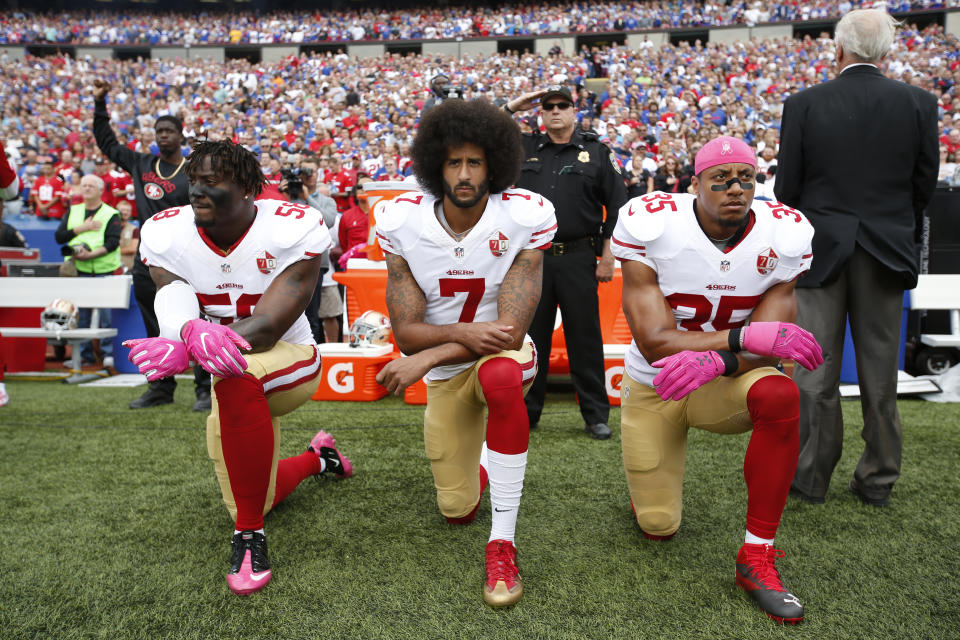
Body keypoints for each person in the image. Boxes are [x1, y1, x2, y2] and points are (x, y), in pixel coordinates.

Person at [123, 140, 354, 596]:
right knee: (256, 495)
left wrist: (189, 347)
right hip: (226, 367)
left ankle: (250, 538)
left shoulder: (291, 226)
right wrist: (179, 331)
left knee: (235, 376)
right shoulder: (167, 232)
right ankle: (318, 459)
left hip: (291, 361)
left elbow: (268, 327)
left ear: (249, 188)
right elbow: (172, 290)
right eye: (194, 180)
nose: (196, 191)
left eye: (212, 181)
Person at [612, 135, 823, 624]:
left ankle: (757, 556)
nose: (735, 188)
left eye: (746, 178)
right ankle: (648, 486)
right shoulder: (655, 224)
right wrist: (737, 342)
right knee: (658, 525)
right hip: (656, 385)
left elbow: (771, 349)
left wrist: (723, 362)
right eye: (721, 179)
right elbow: (655, 342)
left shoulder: (783, 233)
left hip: (725, 383)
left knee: (779, 390)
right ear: (694, 185)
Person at [374, 98, 557, 607]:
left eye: (474, 161)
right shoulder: (401, 221)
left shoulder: (524, 215)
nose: (464, 172)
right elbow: (407, 332)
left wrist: (430, 355)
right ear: (435, 165)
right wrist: (447, 345)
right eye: (454, 161)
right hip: (447, 374)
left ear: (493, 165)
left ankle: (503, 542)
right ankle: (481, 468)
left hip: (500, 357)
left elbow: (510, 333)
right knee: (455, 510)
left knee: (500, 377)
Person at [775, 9, 939, 507]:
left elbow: (787, 189)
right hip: (886, 250)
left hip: (822, 251)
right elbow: (923, 185)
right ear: (887, 53)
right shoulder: (919, 103)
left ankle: (810, 479)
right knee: (879, 374)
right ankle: (877, 480)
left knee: (813, 373)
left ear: (838, 49)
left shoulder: (803, 104)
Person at [503, 85, 627, 439]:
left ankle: (595, 414)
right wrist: (515, 104)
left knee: (584, 338)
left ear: (575, 112)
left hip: (578, 256)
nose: (555, 111)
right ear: (540, 114)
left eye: (562, 106)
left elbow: (617, 205)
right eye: (548, 107)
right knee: (530, 338)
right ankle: (527, 411)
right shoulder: (523, 147)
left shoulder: (596, 152)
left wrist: (607, 257)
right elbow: (487, 124)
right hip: (531, 259)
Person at [92, 79, 211, 411]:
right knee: (153, 320)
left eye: (169, 131)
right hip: (148, 257)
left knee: (196, 318)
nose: (162, 135)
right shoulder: (142, 164)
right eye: (159, 131)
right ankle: (160, 386)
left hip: (187, 255)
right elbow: (107, 144)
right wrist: (100, 104)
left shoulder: (194, 169)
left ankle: (204, 388)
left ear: (180, 136)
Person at [54, 174, 122, 368]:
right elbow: (59, 237)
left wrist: (90, 255)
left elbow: (112, 242)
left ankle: (108, 354)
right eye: (84, 185)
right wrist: (80, 229)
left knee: (107, 316)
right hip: (79, 271)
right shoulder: (73, 211)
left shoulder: (110, 213)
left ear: (101, 190)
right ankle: (84, 356)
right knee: (80, 316)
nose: (87, 188)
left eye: (92, 185)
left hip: (103, 270)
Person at [116, 200, 139, 273]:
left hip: (128, 269)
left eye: (128, 210)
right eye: (123, 210)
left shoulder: (134, 229)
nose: (125, 212)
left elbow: (133, 248)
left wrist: (111, 251)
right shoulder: (111, 227)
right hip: (111, 268)